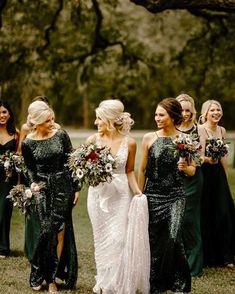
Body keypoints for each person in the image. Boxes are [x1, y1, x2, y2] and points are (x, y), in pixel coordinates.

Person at [87, 99, 150, 294]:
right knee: (101, 239)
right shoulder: (92, 141)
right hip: (98, 195)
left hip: (121, 194)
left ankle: (118, 282)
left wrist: (138, 192)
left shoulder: (130, 143)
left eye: (99, 118)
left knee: (119, 239)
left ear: (109, 119)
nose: (96, 122)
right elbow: (85, 170)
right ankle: (104, 283)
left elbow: (129, 171)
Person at [138, 98, 196, 294]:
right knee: (156, 241)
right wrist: (139, 195)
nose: (157, 118)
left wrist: (185, 167)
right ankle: (159, 285)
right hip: (153, 195)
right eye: (156, 114)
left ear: (173, 116)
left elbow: (192, 171)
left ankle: (179, 282)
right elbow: (142, 169)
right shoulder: (148, 138)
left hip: (175, 195)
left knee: (172, 237)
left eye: (161, 115)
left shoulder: (185, 139)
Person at [21, 101, 79, 293]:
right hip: (43, 188)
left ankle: (51, 278)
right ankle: (38, 272)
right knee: (46, 231)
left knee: (60, 231)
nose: (52, 122)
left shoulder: (61, 135)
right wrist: (33, 183)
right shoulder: (28, 142)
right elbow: (29, 168)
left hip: (63, 187)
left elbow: (72, 161)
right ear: (36, 122)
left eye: (53, 118)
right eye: (48, 120)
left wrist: (77, 187)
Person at [198, 100, 235, 268]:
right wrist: (209, 159)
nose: (216, 112)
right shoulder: (201, 130)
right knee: (207, 212)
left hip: (218, 175)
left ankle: (226, 255)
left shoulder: (222, 130)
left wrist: (225, 177)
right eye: (212, 110)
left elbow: (224, 157)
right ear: (205, 113)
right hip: (205, 175)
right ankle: (208, 256)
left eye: (218, 109)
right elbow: (198, 156)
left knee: (224, 212)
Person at [176, 94, 204, 277]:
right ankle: (178, 261)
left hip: (192, 179)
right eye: (181, 110)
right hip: (174, 179)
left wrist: (189, 164)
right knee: (176, 220)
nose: (185, 114)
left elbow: (200, 158)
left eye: (188, 110)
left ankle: (194, 265)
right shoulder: (172, 128)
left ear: (192, 111)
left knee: (189, 220)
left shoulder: (198, 130)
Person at [0, 100, 19, 258]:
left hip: (8, 178)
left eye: (4, 112)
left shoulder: (16, 133)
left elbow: (19, 155)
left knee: (4, 211)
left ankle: (3, 247)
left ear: (10, 114)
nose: (2, 115)